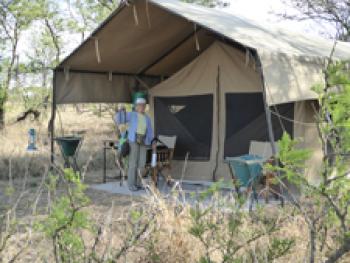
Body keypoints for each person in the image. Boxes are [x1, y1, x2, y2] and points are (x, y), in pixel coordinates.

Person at [114, 98, 153, 191]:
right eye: (139, 105)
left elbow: (150, 131)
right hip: (133, 140)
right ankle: (131, 185)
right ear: (136, 106)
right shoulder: (132, 115)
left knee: (142, 163)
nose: (142, 107)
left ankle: (139, 183)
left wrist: (152, 141)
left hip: (144, 141)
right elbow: (119, 119)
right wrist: (120, 111)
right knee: (133, 163)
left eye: (143, 105)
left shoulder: (147, 117)